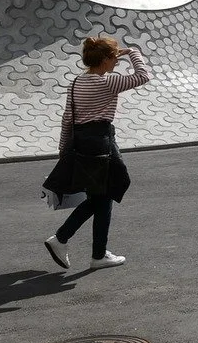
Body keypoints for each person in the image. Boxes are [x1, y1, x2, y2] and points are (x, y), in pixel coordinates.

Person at [43, 36, 150, 271]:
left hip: (82, 144)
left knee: (101, 197)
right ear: (104, 60)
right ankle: (64, 239)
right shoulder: (108, 82)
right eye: (114, 58)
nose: (116, 62)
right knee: (113, 187)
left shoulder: (75, 83)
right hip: (101, 143)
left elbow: (67, 119)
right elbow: (143, 76)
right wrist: (132, 51)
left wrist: (63, 149)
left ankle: (96, 253)